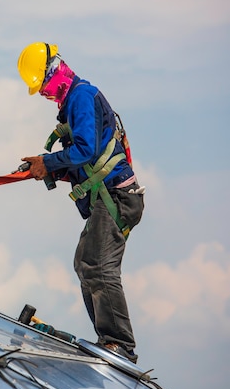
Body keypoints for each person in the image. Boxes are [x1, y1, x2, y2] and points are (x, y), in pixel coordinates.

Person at [17, 42, 145, 363]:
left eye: (44, 86)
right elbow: (83, 161)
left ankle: (120, 345)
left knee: (98, 267)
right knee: (84, 263)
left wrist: (49, 161)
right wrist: (48, 169)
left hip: (116, 196)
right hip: (109, 196)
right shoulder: (73, 102)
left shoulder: (81, 98)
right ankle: (109, 340)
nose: (45, 94)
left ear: (54, 72)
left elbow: (86, 149)